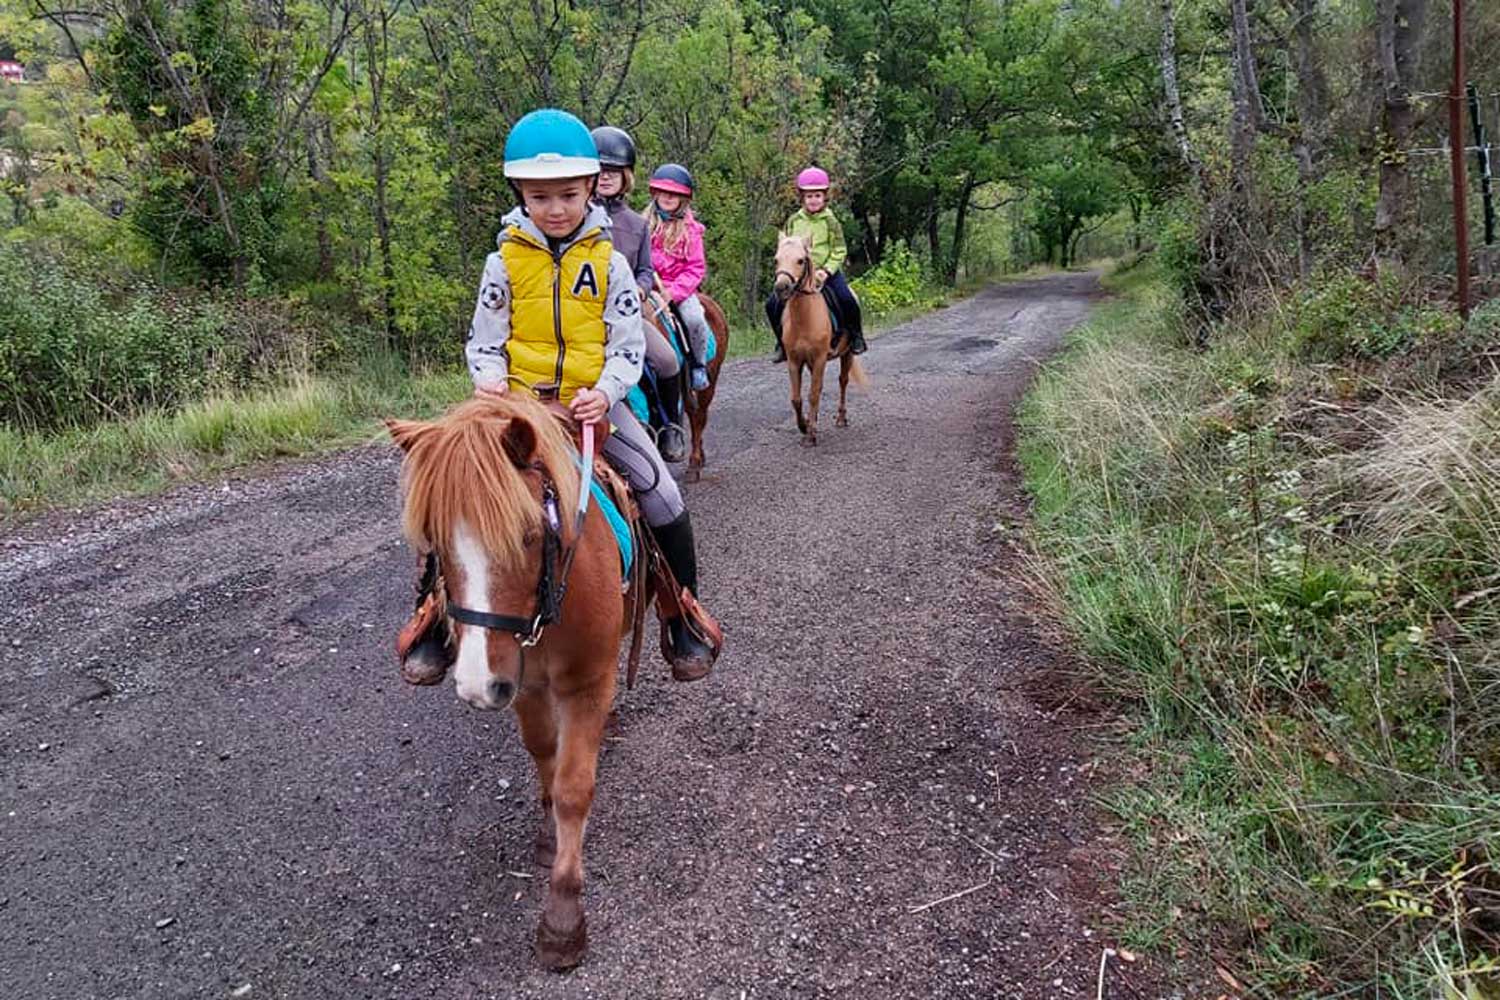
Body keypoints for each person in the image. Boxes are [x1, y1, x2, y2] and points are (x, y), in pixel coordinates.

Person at [399, 109, 718, 685]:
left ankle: (682, 615)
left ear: (591, 187)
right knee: (447, 490)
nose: (555, 209)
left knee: (661, 492)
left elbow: (626, 347)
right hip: (516, 404)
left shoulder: (612, 264)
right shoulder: (502, 263)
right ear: (520, 192)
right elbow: (485, 338)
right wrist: (489, 379)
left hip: (590, 402)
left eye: (568, 195)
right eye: (539, 196)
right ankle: (433, 619)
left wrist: (605, 391)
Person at [591, 125, 688, 462]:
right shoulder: (578, 219)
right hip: (585, 318)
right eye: (600, 171)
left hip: (627, 315)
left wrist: (640, 288)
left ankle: (671, 426)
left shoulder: (636, 224)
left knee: (667, 359)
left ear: (626, 177)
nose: (605, 178)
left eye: (613, 172)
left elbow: (646, 270)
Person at [767, 166, 866, 363]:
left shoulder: (830, 221)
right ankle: (781, 343)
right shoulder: (794, 220)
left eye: (818, 195)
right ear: (802, 197)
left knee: (847, 299)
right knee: (772, 304)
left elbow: (839, 249)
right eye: (809, 196)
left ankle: (855, 337)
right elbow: (786, 246)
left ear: (825, 197)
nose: (813, 200)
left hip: (826, 272)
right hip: (799, 274)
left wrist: (826, 271)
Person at [646, 164, 714, 391]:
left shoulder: (691, 230)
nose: (667, 197)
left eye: (674, 194)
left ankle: (698, 364)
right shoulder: (642, 224)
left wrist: (673, 293)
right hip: (647, 287)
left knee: (694, 318)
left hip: (678, 290)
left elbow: (695, 268)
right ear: (655, 192)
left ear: (683, 198)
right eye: (663, 192)